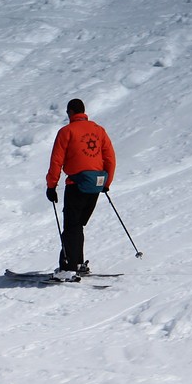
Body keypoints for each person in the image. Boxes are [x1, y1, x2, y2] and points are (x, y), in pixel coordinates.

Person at [45, 99, 116, 281]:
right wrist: (107, 182)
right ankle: (79, 264)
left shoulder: (66, 132)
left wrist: (51, 186)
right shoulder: (99, 130)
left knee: (71, 226)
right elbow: (110, 157)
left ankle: (68, 268)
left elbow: (56, 161)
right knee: (78, 225)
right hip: (96, 185)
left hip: (76, 185)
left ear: (70, 112)